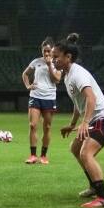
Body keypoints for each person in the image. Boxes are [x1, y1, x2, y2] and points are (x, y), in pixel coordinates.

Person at [52, 33, 104, 208]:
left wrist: (85, 122)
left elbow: (91, 99)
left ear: (68, 57)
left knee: (85, 153)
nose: (53, 61)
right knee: (75, 148)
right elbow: (78, 103)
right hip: (96, 120)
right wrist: (73, 124)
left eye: (56, 57)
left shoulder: (77, 74)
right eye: (52, 57)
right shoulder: (67, 76)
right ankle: (93, 186)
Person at [21, 37, 61, 165]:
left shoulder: (57, 63)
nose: (46, 53)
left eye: (49, 51)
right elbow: (25, 74)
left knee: (47, 127)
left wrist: (49, 65)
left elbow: (56, 80)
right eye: (44, 51)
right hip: (35, 96)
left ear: (53, 50)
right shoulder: (36, 62)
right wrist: (28, 86)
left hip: (49, 97)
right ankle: (33, 155)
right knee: (32, 125)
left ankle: (43, 156)